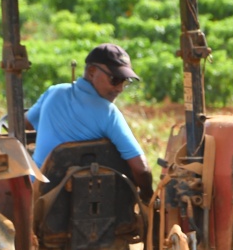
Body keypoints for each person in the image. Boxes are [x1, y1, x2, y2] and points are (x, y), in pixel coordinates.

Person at [26, 43, 153, 200]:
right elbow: (141, 170)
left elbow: (27, 124)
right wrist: (148, 196)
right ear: (92, 72)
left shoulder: (53, 92)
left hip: (38, 199)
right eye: (115, 79)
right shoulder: (108, 113)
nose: (119, 88)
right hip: (91, 201)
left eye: (124, 82)